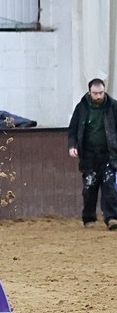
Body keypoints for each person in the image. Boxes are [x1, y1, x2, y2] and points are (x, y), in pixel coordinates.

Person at [67, 78, 117, 229]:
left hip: (109, 153)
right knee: (89, 187)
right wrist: (72, 146)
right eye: (95, 93)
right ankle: (89, 219)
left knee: (109, 186)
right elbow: (73, 130)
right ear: (90, 92)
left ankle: (112, 218)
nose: (99, 96)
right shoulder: (81, 107)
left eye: (101, 93)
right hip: (88, 154)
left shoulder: (113, 106)